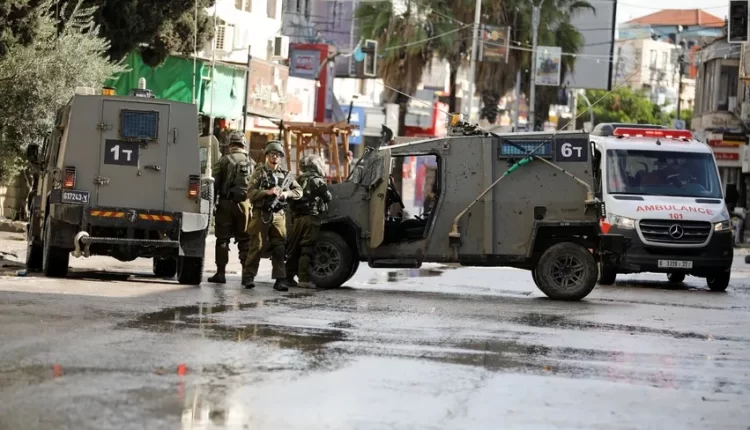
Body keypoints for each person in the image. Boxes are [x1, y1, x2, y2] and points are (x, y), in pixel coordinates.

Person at [242, 141, 303, 291]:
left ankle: (280, 279)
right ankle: (248, 277)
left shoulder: (286, 175)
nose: (274, 157)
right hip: (261, 213)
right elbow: (250, 193)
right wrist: (267, 192)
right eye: (272, 154)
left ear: (281, 157)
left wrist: (286, 194)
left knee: (279, 247)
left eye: (277, 155)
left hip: (278, 215)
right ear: (267, 155)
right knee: (256, 246)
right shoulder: (259, 173)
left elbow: (299, 191)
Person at [208, 131, 255, 284]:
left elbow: (213, 185)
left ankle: (221, 273)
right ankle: (246, 276)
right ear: (244, 144)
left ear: (230, 144)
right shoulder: (251, 162)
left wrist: (212, 206)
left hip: (226, 205)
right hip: (245, 206)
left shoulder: (223, 161)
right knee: (245, 241)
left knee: (222, 240)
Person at [285, 155, 332, 289]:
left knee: (294, 249)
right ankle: (304, 279)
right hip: (311, 218)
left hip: (297, 219)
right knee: (306, 249)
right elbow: (328, 197)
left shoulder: (297, 179)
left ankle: (287, 277)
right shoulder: (317, 181)